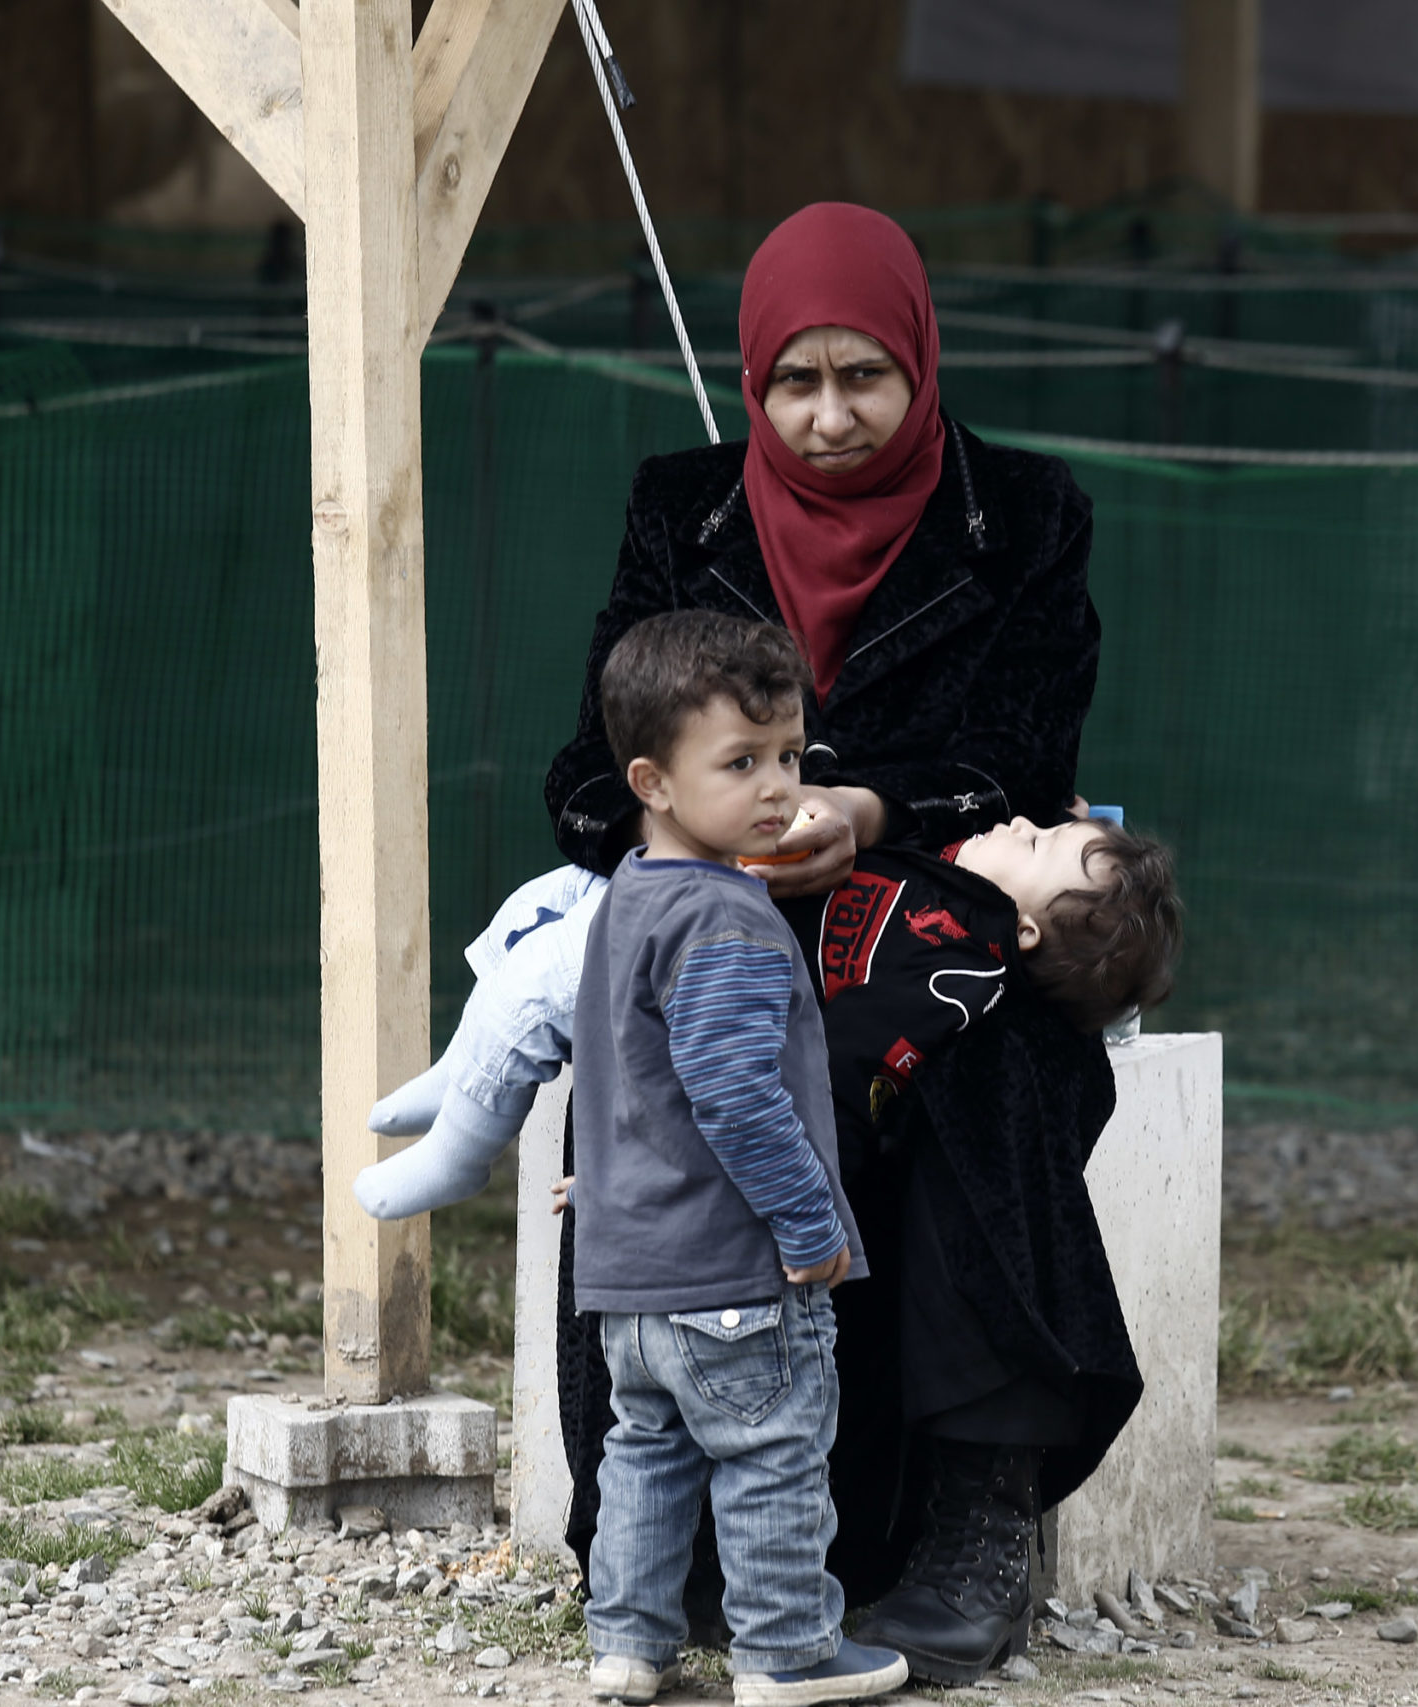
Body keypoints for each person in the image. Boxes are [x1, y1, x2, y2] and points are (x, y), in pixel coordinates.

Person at [542, 199, 1140, 1687]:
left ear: (921, 363)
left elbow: (1022, 746)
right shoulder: (680, 508)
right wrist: (714, 844)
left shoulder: (1028, 513)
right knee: (684, 1053)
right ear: (751, 380)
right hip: (732, 917)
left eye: (862, 376)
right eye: (792, 382)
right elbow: (588, 768)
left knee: (999, 1070)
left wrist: (866, 808)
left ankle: (975, 1517)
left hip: (932, 909)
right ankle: (659, 1549)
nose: (824, 417)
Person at [567, 608, 908, 1707]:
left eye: (792, 757)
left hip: (631, 1276)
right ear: (651, 781)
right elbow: (729, 1095)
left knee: (648, 1455)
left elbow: (628, 1078)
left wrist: (603, 1182)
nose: (779, 788)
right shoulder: (728, 921)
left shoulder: (627, 897)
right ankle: (787, 1653)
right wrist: (813, 1227)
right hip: (734, 1272)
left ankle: (625, 1644)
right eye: (741, 762)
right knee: (770, 1456)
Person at [353, 810, 1182, 1222]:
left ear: (1027, 926)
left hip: (706, 972)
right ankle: (467, 1074)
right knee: (560, 892)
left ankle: (464, 1149)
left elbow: (845, 1079)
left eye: (1038, 844)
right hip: (699, 901)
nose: (1019, 821)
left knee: (542, 979)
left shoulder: (957, 969)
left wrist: (659, 1168)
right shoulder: (954, 880)